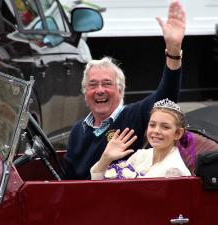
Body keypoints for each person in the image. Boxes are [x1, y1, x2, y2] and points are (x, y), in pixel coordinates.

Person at [64, 0, 186, 179]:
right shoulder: (77, 130)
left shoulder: (134, 115)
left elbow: (166, 96)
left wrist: (173, 51)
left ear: (120, 91)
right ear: (85, 95)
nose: (99, 90)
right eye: (92, 85)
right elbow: (68, 181)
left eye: (107, 84)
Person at [90, 98, 191, 180]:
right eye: (152, 125)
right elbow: (99, 185)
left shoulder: (174, 170)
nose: (156, 131)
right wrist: (106, 158)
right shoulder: (140, 155)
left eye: (165, 127)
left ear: (178, 133)